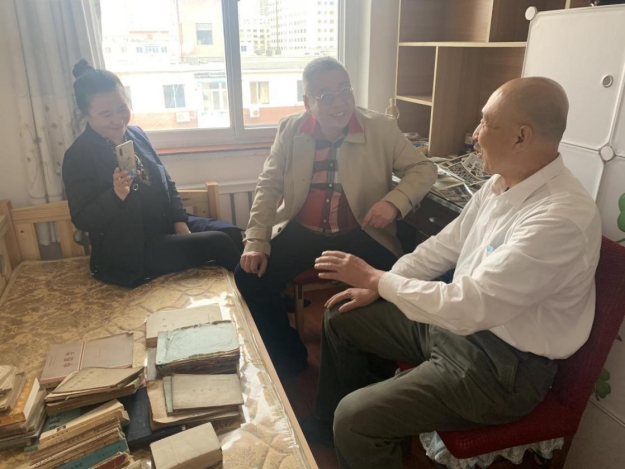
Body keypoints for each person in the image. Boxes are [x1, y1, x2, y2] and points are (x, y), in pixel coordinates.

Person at [305, 77, 602, 468]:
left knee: (355, 418)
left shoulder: (560, 218)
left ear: (521, 137)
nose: (474, 134)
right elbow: (444, 246)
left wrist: (379, 280)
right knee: (341, 314)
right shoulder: (499, 185)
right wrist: (380, 286)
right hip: (458, 329)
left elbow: (469, 305)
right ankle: (341, 428)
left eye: (485, 123)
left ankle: (361, 428)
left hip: (502, 369)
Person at [234, 57, 437, 375]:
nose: (339, 102)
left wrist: (394, 203)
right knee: (249, 277)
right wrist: (256, 241)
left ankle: (379, 368)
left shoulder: (380, 127)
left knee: (393, 283)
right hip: (302, 230)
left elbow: (424, 168)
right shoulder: (290, 128)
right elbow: (269, 185)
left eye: (345, 91)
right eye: (326, 96)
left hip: (361, 231)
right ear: (308, 103)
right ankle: (288, 358)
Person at [63, 59, 243, 288]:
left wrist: (180, 223)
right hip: (133, 250)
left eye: (122, 109)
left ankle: (256, 295)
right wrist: (115, 195)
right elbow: (82, 218)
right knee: (219, 243)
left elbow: (166, 182)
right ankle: (258, 301)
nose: (118, 120)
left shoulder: (136, 134)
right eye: (106, 114)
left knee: (233, 233)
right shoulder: (78, 155)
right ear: (86, 115)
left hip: (165, 226)